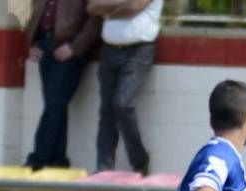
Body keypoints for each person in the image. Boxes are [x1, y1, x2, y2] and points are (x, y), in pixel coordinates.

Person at [86, 0, 163, 175]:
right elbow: (92, 6)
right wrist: (120, 6)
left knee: (122, 103)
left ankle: (140, 161)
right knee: (107, 111)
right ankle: (103, 168)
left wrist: (108, 10)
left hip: (139, 51)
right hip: (109, 50)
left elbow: (133, 8)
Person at [24, 0, 102, 170]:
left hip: (69, 48)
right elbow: (34, 13)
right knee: (55, 105)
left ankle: (38, 158)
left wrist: (75, 47)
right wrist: (32, 43)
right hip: (45, 44)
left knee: (55, 103)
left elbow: (96, 19)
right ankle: (59, 160)